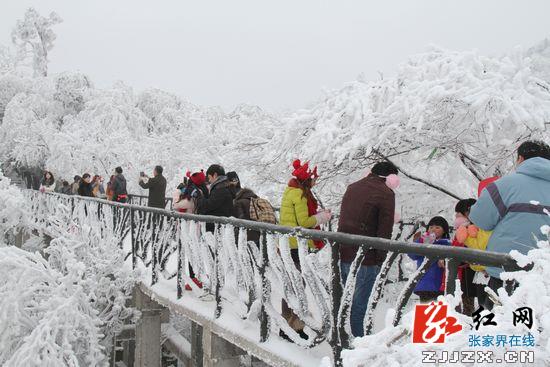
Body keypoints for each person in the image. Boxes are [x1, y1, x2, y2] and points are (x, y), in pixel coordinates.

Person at [469, 140, 550, 298]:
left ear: (520, 159)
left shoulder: (503, 185)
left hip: (506, 272)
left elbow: (481, 220)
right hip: (545, 275)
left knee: (502, 319)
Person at [338, 161, 398, 337]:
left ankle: (341, 339)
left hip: (345, 251)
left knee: (346, 302)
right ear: (391, 178)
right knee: (360, 307)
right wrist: (380, 259)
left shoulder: (352, 187)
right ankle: (359, 348)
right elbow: (384, 231)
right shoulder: (386, 193)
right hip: (367, 257)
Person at [279, 159, 332, 341]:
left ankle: (290, 326)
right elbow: (304, 222)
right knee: (297, 287)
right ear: (307, 180)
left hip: (288, 244)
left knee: (292, 285)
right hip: (296, 246)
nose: (315, 182)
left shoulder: (291, 191)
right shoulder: (300, 195)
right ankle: (292, 328)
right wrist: (321, 217)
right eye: (314, 179)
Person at [409, 216, 452, 303]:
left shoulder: (447, 244)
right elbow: (412, 255)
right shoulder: (423, 242)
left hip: (440, 285)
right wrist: (420, 242)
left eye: (437, 227)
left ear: (444, 230)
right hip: (425, 284)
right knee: (424, 312)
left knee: (438, 313)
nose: (433, 229)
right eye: (431, 227)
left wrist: (444, 260)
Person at [196, 164, 234, 232]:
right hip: (220, 226)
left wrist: (199, 197)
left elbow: (209, 205)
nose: (209, 181)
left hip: (217, 228)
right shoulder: (224, 186)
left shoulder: (220, 189)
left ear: (215, 175)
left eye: (209, 177)